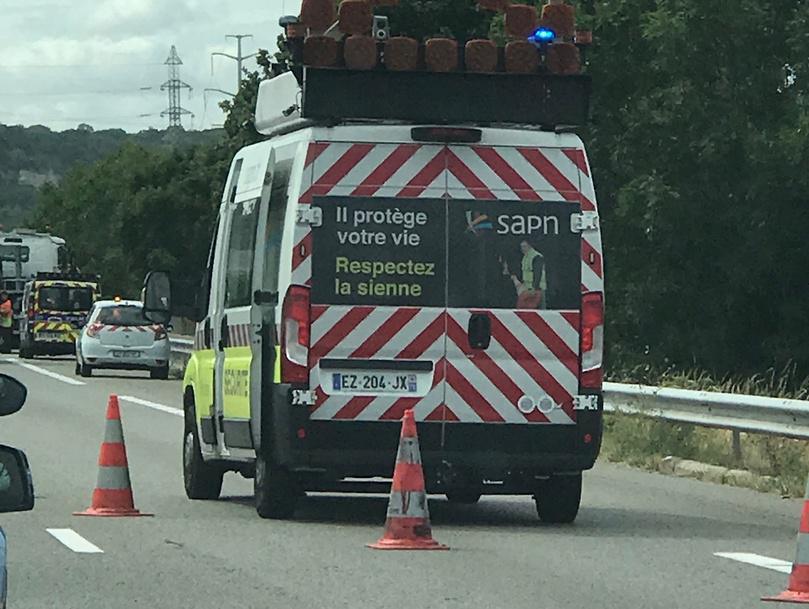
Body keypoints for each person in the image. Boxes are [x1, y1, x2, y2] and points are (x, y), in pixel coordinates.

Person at [504, 241, 547, 310]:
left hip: (538, 289)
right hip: (528, 289)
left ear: (530, 246)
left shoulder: (536, 257)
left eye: (524, 246)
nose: (522, 249)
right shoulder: (526, 257)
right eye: (521, 247)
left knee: (540, 311)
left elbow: (538, 274)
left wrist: (534, 288)